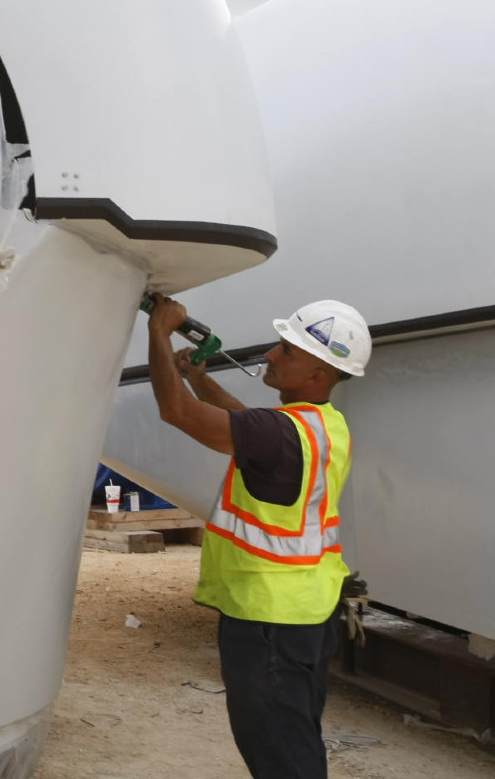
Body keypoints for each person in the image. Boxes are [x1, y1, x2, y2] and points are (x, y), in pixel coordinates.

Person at [146, 294, 371, 779]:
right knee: (293, 738)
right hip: (308, 613)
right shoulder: (324, 426)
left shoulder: (285, 432)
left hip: (268, 619)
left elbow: (177, 413)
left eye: (287, 351)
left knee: (278, 752)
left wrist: (160, 332)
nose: (270, 354)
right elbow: (249, 428)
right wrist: (200, 377)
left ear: (317, 375)